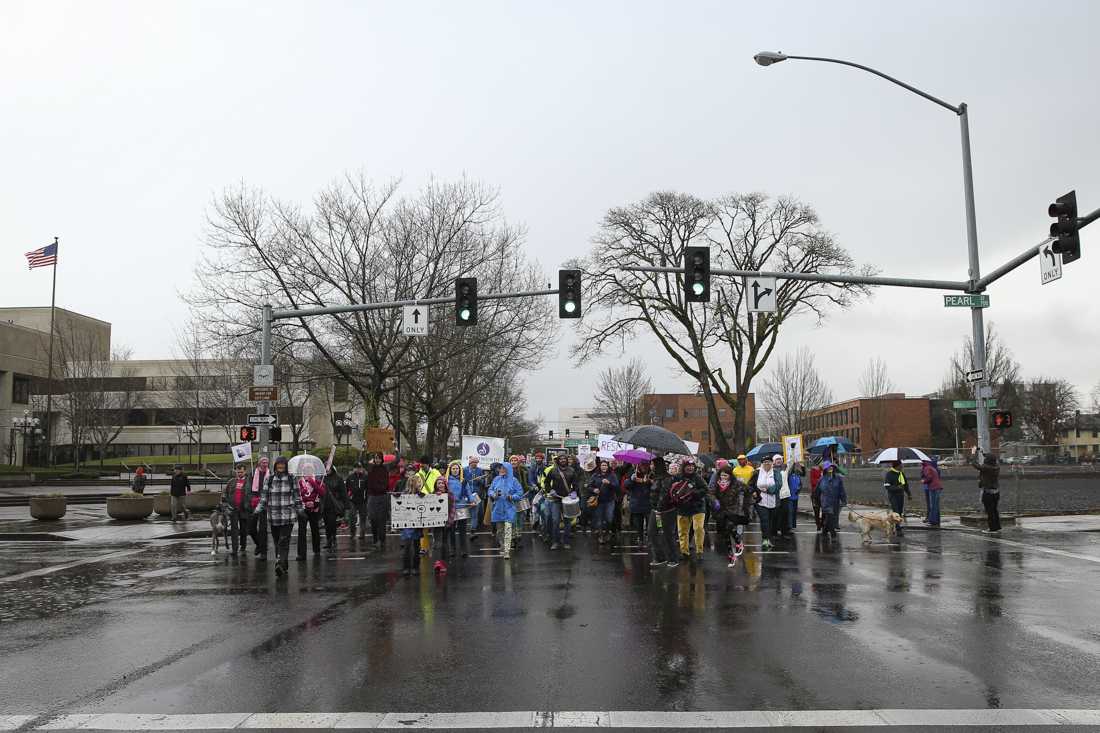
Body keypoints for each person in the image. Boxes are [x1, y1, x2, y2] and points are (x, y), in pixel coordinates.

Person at [255, 455, 305, 577]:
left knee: (284, 540)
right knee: (277, 541)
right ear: (276, 465)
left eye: (283, 464)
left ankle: (279, 562)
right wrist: (257, 510)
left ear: (286, 466)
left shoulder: (292, 478)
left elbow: (297, 496)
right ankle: (283, 565)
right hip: (273, 517)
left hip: (288, 516)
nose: (281, 466)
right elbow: (264, 497)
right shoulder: (270, 479)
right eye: (279, 464)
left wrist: (301, 510)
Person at [711, 465, 754, 566]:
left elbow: (748, 490)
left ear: (730, 476)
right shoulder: (716, 484)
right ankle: (730, 553)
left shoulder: (736, 484)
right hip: (721, 510)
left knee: (730, 526)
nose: (723, 478)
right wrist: (714, 501)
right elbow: (710, 493)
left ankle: (739, 542)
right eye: (722, 475)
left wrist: (747, 504)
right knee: (725, 532)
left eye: (726, 476)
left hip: (733, 510)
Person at [671, 458, 708, 561]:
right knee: (682, 531)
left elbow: (705, 489)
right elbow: (670, 491)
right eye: (688, 466)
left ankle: (699, 551)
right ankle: (684, 552)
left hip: (698, 507)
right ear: (684, 467)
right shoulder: (677, 477)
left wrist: (693, 492)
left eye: (692, 466)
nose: (690, 468)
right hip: (682, 508)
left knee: (698, 529)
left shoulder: (697, 477)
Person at [648, 458, 680, 567]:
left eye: (652, 464)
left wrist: (659, 509)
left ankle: (673, 558)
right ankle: (660, 557)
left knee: (667, 534)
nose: (650, 466)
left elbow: (664, 494)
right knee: (652, 532)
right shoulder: (656, 477)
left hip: (666, 511)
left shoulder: (667, 478)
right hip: (655, 510)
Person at [489, 461, 524, 559]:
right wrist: (493, 495)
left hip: (509, 508)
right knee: (500, 531)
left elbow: (520, 492)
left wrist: (512, 497)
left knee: (508, 529)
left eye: (503, 468)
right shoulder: (496, 479)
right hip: (498, 508)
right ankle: (502, 546)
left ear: (508, 470)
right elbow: (490, 490)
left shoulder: (514, 480)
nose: (501, 470)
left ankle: (506, 551)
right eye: (500, 468)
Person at [544, 453, 577, 550]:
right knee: (555, 521)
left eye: (564, 459)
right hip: (555, 499)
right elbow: (546, 482)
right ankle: (555, 542)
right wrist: (550, 490)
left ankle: (566, 542)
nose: (563, 460)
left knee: (567, 521)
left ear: (567, 460)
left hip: (567, 499)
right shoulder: (553, 471)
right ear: (558, 461)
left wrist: (574, 492)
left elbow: (575, 484)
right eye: (561, 459)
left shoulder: (572, 471)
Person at [751, 456, 781, 551]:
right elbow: (750, 485)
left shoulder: (776, 473)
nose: (767, 464)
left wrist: (768, 490)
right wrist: (753, 492)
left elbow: (778, 485)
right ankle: (765, 539)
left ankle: (769, 539)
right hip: (761, 501)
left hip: (774, 502)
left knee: (772, 522)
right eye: (765, 462)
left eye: (769, 462)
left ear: (772, 463)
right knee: (764, 520)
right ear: (762, 463)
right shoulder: (757, 473)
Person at [220, 463, 251, 556]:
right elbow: (224, 493)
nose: (239, 474)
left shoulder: (249, 481)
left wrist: (249, 505)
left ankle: (243, 545)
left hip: (244, 508)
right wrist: (224, 504)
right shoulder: (231, 481)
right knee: (234, 530)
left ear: (245, 471)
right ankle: (234, 549)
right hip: (233, 509)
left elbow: (251, 494)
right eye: (238, 472)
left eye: (241, 472)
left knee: (243, 529)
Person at [589, 459, 620, 545]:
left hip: (609, 501)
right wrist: (594, 489)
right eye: (602, 465)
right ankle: (601, 536)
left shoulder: (612, 475)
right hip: (599, 501)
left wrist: (609, 483)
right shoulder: (595, 475)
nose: (604, 467)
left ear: (608, 466)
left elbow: (617, 487)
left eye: (605, 465)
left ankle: (607, 532)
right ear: (600, 466)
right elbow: (589, 486)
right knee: (599, 519)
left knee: (609, 518)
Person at [447, 460, 475, 557]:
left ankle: (463, 550)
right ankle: (452, 550)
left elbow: (468, 491)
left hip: (462, 507)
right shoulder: (446, 481)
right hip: (451, 508)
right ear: (450, 470)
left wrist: (472, 500)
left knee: (462, 530)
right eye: (453, 469)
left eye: (457, 469)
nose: (455, 470)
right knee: (451, 530)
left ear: (460, 470)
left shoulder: (463, 481)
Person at [970, 448, 1001, 533]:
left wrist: (973, 453)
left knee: (989, 511)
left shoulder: (986, 467)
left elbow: (974, 464)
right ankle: (997, 527)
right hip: (996, 492)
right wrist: (982, 452)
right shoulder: (997, 466)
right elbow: (991, 458)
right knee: (995, 510)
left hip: (988, 493)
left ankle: (992, 529)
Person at [623, 460, 653, 549]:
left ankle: (649, 538)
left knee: (650, 525)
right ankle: (640, 538)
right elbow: (626, 485)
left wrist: (648, 481)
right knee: (638, 524)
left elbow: (657, 486)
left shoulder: (652, 474)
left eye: (646, 465)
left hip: (649, 503)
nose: (644, 467)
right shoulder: (633, 473)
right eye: (642, 465)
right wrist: (631, 480)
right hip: (637, 503)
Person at [399, 475, 425, 576]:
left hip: (417, 524)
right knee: (407, 546)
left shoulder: (421, 494)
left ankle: (415, 567)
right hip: (407, 524)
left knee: (416, 546)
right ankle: (406, 567)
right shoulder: (404, 494)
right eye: (418, 482)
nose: (420, 484)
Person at [296, 472, 324, 561]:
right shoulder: (299, 482)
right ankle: (301, 554)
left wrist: (314, 504)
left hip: (314, 509)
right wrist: (305, 503)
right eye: (305, 471)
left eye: (309, 470)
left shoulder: (318, 481)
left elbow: (322, 493)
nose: (307, 473)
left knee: (315, 530)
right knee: (301, 531)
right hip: (303, 509)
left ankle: (316, 550)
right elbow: (297, 495)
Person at [365, 455, 391, 550]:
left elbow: (396, 461)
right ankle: (375, 539)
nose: (377, 460)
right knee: (373, 519)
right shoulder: (370, 468)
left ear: (382, 459)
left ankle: (382, 540)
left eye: (379, 458)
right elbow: (362, 461)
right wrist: (363, 451)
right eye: (376, 458)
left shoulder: (386, 467)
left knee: (382, 520)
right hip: (372, 497)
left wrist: (396, 449)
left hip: (383, 496)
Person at [817, 461, 847, 540]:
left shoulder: (838, 478)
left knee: (832, 518)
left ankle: (825, 530)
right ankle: (833, 535)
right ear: (825, 469)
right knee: (830, 517)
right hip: (825, 501)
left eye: (831, 467)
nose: (830, 468)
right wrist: (816, 502)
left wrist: (843, 500)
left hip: (835, 501)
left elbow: (841, 490)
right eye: (828, 467)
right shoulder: (821, 479)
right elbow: (817, 491)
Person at [430, 476, 455, 569]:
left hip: (447, 522)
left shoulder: (450, 494)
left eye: (442, 483)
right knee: (437, 542)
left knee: (445, 543)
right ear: (436, 485)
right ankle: (437, 562)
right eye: (438, 483)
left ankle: (444, 562)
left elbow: (453, 507)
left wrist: (450, 520)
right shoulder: (432, 494)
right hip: (436, 523)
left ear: (445, 484)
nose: (440, 485)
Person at [248, 457, 270, 558]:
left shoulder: (271, 475)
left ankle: (263, 553)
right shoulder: (253, 473)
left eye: (266, 462)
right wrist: (251, 498)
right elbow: (248, 489)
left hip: (265, 503)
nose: (265, 464)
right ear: (259, 463)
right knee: (251, 528)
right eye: (263, 462)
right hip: (254, 503)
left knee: (263, 529)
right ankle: (259, 545)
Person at [321, 465, 345, 559]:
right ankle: (329, 539)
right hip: (325, 504)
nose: (327, 470)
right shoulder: (323, 478)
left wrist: (345, 504)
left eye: (329, 468)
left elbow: (343, 492)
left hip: (334, 505)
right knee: (326, 523)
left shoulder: (338, 478)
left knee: (332, 522)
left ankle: (333, 538)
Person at [883, 460, 912, 535]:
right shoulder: (889, 474)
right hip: (893, 496)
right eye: (901, 465)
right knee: (896, 511)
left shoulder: (901, 474)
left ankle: (894, 524)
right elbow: (887, 486)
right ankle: (897, 527)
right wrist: (897, 487)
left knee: (899, 511)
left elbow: (905, 485)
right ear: (897, 466)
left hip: (900, 495)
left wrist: (909, 494)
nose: (902, 466)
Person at [463, 457, 488, 534]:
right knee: (466, 511)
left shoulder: (480, 470)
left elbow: (484, 483)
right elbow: (462, 481)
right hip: (467, 494)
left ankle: (474, 528)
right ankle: (463, 526)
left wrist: (480, 480)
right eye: (473, 462)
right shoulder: (464, 470)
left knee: (477, 512)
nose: (475, 464)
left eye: (476, 463)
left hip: (477, 494)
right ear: (470, 463)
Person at [345, 461, 369, 540]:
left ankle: (362, 533)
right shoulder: (350, 477)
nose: (358, 469)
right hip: (353, 500)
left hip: (363, 500)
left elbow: (368, 488)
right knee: (352, 517)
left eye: (359, 468)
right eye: (356, 468)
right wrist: (348, 497)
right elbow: (346, 488)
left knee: (363, 518)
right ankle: (352, 533)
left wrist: (367, 497)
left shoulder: (365, 477)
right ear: (354, 468)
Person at [773, 454, 793, 539]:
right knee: (776, 515)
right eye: (777, 459)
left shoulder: (785, 470)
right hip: (775, 496)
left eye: (780, 459)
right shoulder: (771, 470)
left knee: (785, 514)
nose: (779, 461)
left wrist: (792, 449)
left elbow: (791, 461)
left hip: (785, 496)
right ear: (774, 461)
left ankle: (784, 532)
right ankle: (774, 532)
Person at [920, 457, 944, 527]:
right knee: (935, 505)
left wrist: (924, 481)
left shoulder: (926, 468)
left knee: (933, 505)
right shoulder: (931, 467)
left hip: (933, 488)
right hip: (937, 487)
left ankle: (933, 521)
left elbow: (929, 477)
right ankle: (936, 521)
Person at [787, 460, 805, 532]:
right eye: (795, 466)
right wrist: (793, 463)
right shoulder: (789, 475)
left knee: (794, 511)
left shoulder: (798, 475)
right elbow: (790, 470)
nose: (797, 468)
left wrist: (799, 489)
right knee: (790, 511)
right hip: (789, 497)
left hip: (795, 496)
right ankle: (790, 526)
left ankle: (793, 525)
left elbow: (801, 484)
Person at [809, 460, 824, 532]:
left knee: (824, 510)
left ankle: (823, 523)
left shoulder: (824, 470)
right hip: (815, 493)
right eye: (822, 462)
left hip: (823, 493)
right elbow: (813, 481)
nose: (823, 463)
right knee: (816, 510)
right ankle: (818, 524)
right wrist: (820, 479)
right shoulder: (813, 470)